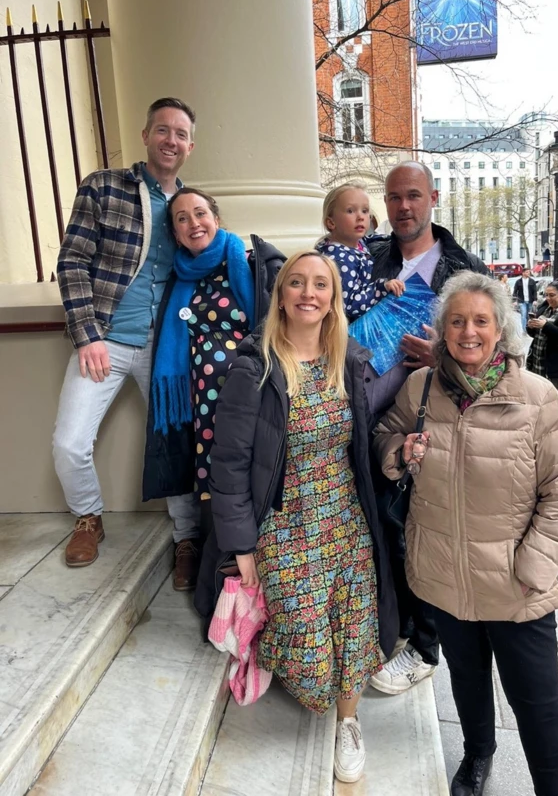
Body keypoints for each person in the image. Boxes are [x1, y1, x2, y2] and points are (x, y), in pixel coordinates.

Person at [374, 271, 558, 796]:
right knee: (466, 680)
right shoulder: (420, 388)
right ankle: (477, 755)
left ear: (501, 330)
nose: (469, 331)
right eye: (458, 321)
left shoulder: (537, 399)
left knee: (536, 699)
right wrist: (399, 452)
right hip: (444, 574)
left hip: (515, 584)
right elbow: (384, 436)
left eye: (481, 321)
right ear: (443, 329)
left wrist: (533, 568)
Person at [194, 251, 398, 784]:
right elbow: (229, 464)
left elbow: (370, 430)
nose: (309, 294)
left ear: (333, 300)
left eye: (321, 285)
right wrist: (242, 548)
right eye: (297, 284)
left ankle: (350, 722)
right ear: (281, 294)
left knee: (355, 632)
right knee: (311, 678)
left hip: (346, 520)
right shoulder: (254, 368)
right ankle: (277, 649)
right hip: (283, 527)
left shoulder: (348, 360)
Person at [54, 97, 201, 586]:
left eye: (180, 134)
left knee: (177, 439)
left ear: (190, 146)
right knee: (70, 442)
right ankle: (89, 517)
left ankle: (187, 539)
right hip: (107, 342)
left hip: (167, 347)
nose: (171, 141)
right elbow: (72, 262)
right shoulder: (104, 187)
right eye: (163, 130)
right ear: (145, 135)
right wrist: (86, 334)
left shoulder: (189, 204)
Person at [365, 161, 488, 696]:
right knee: (385, 530)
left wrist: (444, 354)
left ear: (433, 198)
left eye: (413, 196)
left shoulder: (465, 269)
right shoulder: (367, 259)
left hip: (436, 423)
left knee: (428, 534)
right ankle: (393, 627)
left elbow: (499, 350)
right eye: (394, 198)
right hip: (371, 422)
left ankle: (425, 645)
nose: (403, 208)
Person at [141, 188, 285, 588]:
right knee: (215, 474)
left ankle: (263, 556)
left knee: (252, 467)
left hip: (251, 390)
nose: (193, 223)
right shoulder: (178, 276)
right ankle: (219, 558)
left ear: (216, 219)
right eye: (182, 218)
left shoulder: (248, 263)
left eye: (200, 213)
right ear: (175, 231)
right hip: (202, 396)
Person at [316, 182, 404, 320]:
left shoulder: (355, 243)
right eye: (350, 211)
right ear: (331, 223)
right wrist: (381, 287)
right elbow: (349, 304)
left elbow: (367, 240)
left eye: (365, 210)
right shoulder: (339, 258)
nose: (361, 217)